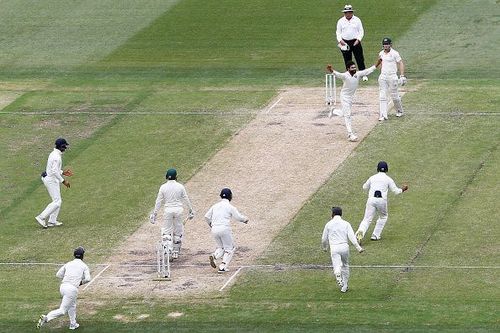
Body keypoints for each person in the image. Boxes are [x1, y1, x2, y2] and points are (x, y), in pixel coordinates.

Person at [37, 247, 91, 330]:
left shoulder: (68, 264)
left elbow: (58, 274)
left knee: (72, 305)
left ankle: (73, 324)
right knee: (62, 310)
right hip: (72, 289)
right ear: (82, 256)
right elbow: (88, 279)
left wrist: (68, 278)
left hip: (63, 287)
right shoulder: (84, 266)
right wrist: (80, 282)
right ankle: (46, 318)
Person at [355, 161, 408, 244]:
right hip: (381, 201)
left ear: (377, 169)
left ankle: (359, 235)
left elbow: (364, 187)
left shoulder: (372, 178)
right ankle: (375, 235)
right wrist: (403, 189)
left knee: (366, 219)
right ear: (386, 169)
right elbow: (395, 191)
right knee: (383, 217)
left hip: (371, 200)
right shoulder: (388, 179)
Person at [326, 60, 379, 142]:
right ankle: (350, 134)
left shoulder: (357, 74)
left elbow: (368, 71)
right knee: (348, 115)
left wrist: (377, 64)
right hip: (344, 97)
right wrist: (331, 69)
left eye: (354, 67)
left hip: (351, 97)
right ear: (348, 69)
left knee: (344, 113)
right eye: (352, 68)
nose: (354, 69)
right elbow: (337, 74)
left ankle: (334, 111)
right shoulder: (345, 75)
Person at [150, 168, 194, 260]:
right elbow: (186, 198)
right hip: (178, 210)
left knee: (166, 232)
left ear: (167, 177)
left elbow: (159, 201)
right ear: (176, 177)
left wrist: (155, 213)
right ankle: (175, 252)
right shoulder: (180, 186)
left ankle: (168, 251)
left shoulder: (163, 187)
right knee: (178, 231)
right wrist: (190, 210)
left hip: (168, 211)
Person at [205, 188, 249, 273]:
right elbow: (238, 217)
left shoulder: (215, 206)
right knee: (230, 248)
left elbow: (206, 216)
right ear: (230, 197)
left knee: (221, 247)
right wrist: (245, 220)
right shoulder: (230, 207)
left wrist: (211, 225)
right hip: (224, 228)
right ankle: (223, 266)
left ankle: (214, 256)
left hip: (214, 229)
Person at [321, 206, 364, 293]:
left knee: (336, 265)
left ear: (332, 214)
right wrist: (358, 248)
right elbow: (352, 237)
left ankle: (337, 273)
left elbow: (324, 239)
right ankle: (344, 286)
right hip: (344, 247)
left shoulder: (328, 224)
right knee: (345, 265)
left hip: (334, 247)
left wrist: (325, 248)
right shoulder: (346, 224)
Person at [35, 138, 73, 228]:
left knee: (57, 200)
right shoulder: (56, 156)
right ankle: (41, 217)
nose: (66, 148)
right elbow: (54, 171)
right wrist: (64, 181)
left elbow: (54, 169)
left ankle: (52, 221)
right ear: (61, 146)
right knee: (57, 201)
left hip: (50, 178)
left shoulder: (54, 154)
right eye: (65, 146)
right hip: (51, 180)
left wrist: (63, 172)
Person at [335, 4, 368, 82]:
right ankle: (349, 75)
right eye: (346, 12)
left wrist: (358, 40)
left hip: (355, 41)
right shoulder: (340, 21)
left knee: (359, 58)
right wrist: (340, 40)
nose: (348, 14)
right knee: (347, 59)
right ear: (344, 13)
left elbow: (361, 31)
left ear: (352, 12)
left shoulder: (357, 20)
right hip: (344, 42)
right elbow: (338, 32)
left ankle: (363, 74)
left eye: (350, 12)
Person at [377, 37, 406, 121]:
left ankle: (399, 111)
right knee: (382, 95)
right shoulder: (381, 53)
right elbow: (380, 63)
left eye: (387, 44)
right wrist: (381, 70)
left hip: (392, 76)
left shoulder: (395, 53)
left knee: (394, 95)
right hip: (383, 76)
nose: (385, 46)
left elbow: (400, 63)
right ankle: (383, 115)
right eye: (384, 44)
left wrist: (402, 75)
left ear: (390, 44)